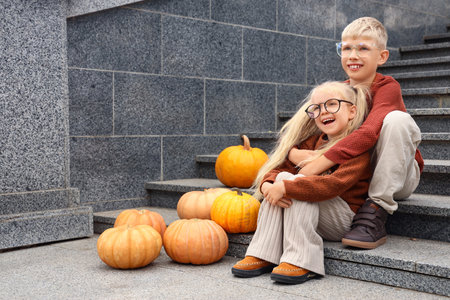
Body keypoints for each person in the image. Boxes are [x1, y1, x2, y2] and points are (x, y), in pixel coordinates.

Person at [289, 17, 424, 249]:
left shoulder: (387, 87)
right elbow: (300, 133)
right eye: (347, 48)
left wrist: (319, 162)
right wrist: (294, 155)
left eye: (363, 48)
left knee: (397, 120)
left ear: (382, 56)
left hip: (399, 175)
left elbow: (370, 132)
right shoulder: (337, 92)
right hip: (356, 176)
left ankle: (376, 210)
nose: (353, 55)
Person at [231, 81, 372, 284]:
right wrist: (267, 185)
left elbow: (333, 185)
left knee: (295, 182)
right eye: (317, 108)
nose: (324, 112)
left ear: (352, 111)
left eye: (332, 104)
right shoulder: (312, 143)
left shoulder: (355, 148)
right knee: (283, 178)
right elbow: (277, 170)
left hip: (342, 219)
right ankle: (263, 252)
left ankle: (303, 260)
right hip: (313, 213)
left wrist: (287, 187)